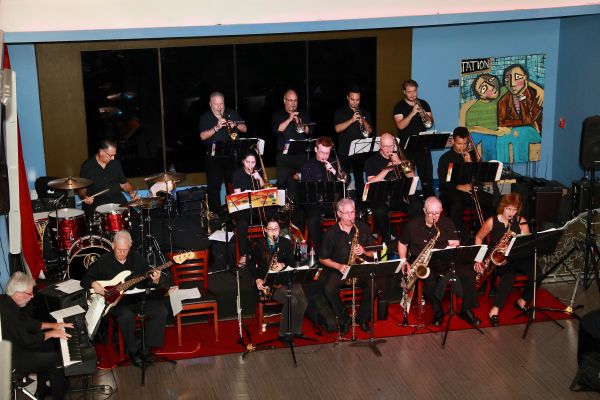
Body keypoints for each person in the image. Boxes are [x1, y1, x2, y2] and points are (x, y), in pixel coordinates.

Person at [81, 230, 168, 366]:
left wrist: (155, 280)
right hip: (117, 303)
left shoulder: (137, 258)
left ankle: (147, 348)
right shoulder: (104, 261)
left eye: (125, 250)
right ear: (113, 246)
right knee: (126, 317)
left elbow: (147, 280)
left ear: (130, 247)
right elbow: (85, 279)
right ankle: (133, 352)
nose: (122, 253)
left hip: (138, 298)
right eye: (119, 250)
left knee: (160, 310)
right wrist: (95, 284)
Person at [397, 196, 481, 327]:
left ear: (441, 210)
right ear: (424, 210)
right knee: (429, 280)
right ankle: (438, 312)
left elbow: (455, 243)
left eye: (437, 213)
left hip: (445, 260)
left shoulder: (447, 222)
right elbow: (402, 243)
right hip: (423, 263)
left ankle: (466, 309)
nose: (434, 216)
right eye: (431, 213)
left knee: (468, 274)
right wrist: (403, 261)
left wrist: (447, 247)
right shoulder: (413, 224)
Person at [0, 272, 71, 399]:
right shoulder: (8, 315)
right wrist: (52, 333)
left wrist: (54, 326)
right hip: (10, 359)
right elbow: (28, 341)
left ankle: (42, 389)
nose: (32, 297)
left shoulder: (5, 300)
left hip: (14, 346)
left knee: (48, 344)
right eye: (30, 293)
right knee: (55, 359)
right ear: (18, 294)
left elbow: (27, 323)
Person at [475, 193, 533, 327]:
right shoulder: (492, 221)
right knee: (509, 276)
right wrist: (479, 259)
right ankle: (494, 310)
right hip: (499, 259)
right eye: (508, 209)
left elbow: (526, 244)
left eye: (514, 210)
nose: (511, 213)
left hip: (518, 257)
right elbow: (478, 237)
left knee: (537, 272)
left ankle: (523, 300)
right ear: (503, 207)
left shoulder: (521, 221)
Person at [319, 198, 375, 334]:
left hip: (360, 268)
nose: (351, 216)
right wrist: (338, 266)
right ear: (339, 214)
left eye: (353, 212)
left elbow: (375, 252)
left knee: (374, 284)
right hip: (340, 269)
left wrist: (364, 251)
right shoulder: (331, 233)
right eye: (347, 213)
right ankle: (344, 319)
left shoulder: (363, 228)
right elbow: (322, 258)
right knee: (329, 289)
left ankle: (362, 319)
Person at [248, 218, 308, 338]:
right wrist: (257, 279)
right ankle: (284, 333)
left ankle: (296, 330)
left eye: (276, 229)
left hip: (284, 278)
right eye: (270, 229)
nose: (274, 232)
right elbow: (251, 264)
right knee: (292, 301)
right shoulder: (258, 245)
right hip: (267, 282)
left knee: (303, 301)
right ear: (265, 230)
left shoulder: (285, 243)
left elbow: (292, 262)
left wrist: (282, 264)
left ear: (279, 229)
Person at [437, 126, 495, 241]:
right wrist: (459, 187)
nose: (462, 147)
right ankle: (461, 238)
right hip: (451, 192)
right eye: (459, 144)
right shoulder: (445, 158)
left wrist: (470, 163)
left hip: (468, 190)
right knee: (457, 204)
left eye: (464, 144)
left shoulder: (471, 156)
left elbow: (478, 179)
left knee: (489, 198)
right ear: (453, 142)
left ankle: (480, 234)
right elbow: (443, 183)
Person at [364, 132, 422, 244]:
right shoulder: (371, 161)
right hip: (381, 197)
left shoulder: (401, 157)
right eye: (386, 146)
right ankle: (386, 240)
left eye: (391, 146)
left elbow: (412, 177)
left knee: (417, 205)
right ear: (380, 146)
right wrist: (387, 169)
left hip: (399, 196)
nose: (389, 149)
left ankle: (410, 237)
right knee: (380, 211)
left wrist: (400, 162)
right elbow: (371, 182)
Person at [199, 91, 248, 213]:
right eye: (216, 104)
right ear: (210, 104)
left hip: (231, 155)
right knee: (214, 187)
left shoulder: (231, 113)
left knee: (232, 184)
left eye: (221, 104)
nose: (219, 107)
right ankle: (215, 214)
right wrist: (216, 127)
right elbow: (202, 136)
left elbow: (245, 128)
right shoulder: (205, 117)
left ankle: (234, 212)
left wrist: (235, 124)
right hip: (213, 157)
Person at [393, 79, 435, 198]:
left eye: (414, 91)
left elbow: (430, 123)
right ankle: (410, 200)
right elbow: (400, 126)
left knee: (426, 176)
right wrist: (412, 113)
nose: (412, 94)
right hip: (406, 146)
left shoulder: (424, 103)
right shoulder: (399, 106)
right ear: (404, 92)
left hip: (422, 145)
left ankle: (430, 200)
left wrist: (423, 112)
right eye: (409, 92)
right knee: (409, 177)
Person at [298, 136, 340, 254]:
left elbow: (345, 183)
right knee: (313, 219)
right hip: (315, 203)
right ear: (316, 150)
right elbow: (307, 192)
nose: (325, 156)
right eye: (322, 152)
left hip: (332, 202)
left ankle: (342, 248)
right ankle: (321, 252)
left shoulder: (334, 162)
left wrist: (333, 171)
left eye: (327, 153)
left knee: (349, 212)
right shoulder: (308, 166)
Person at [78, 139, 139, 217]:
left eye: (114, 155)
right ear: (101, 152)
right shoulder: (87, 166)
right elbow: (82, 189)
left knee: (135, 218)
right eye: (111, 155)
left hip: (117, 200)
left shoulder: (116, 163)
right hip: (97, 203)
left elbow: (124, 184)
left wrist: (131, 193)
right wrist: (85, 197)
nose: (113, 158)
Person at [271, 89, 312, 203]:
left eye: (295, 100)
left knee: (302, 184)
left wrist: (301, 123)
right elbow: (277, 130)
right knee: (281, 184)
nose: (293, 103)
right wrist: (289, 119)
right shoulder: (278, 115)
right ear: (284, 100)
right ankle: (281, 208)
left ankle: (300, 208)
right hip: (284, 157)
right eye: (290, 100)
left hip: (301, 156)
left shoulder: (303, 114)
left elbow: (309, 131)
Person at [497, 64, 543, 163]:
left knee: (520, 134)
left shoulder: (535, 95)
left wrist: (522, 97)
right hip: (514, 131)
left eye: (517, 77)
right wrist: (516, 127)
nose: (512, 83)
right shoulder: (503, 100)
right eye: (507, 79)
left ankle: (521, 169)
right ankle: (501, 168)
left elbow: (529, 120)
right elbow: (502, 123)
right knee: (501, 139)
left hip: (534, 131)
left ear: (526, 79)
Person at [333, 86, 373, 200]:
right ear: (347, 97)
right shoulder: (340, 111)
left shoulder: (365, 112)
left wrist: (362, 120)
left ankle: (361, 204)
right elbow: (337, 129)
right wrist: (351, 120)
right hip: (344, 151)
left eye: (357, 100)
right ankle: (341, 202)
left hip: (360, 151)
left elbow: (370, 131)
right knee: (343, 179)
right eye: (352, 99)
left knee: (359, 179)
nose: (355, 102)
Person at [232, 151, 268, 267]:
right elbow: (237, 196)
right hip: (244, 209)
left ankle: (271, 249)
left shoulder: (258, 171)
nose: (250, 165)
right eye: (248, 162)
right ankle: (243, 254)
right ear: (243, 161)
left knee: (272, 217)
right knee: (242, 224)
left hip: (258, 208)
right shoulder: (237, 174)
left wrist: (259, 178)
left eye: (253, 162)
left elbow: (266, 189)